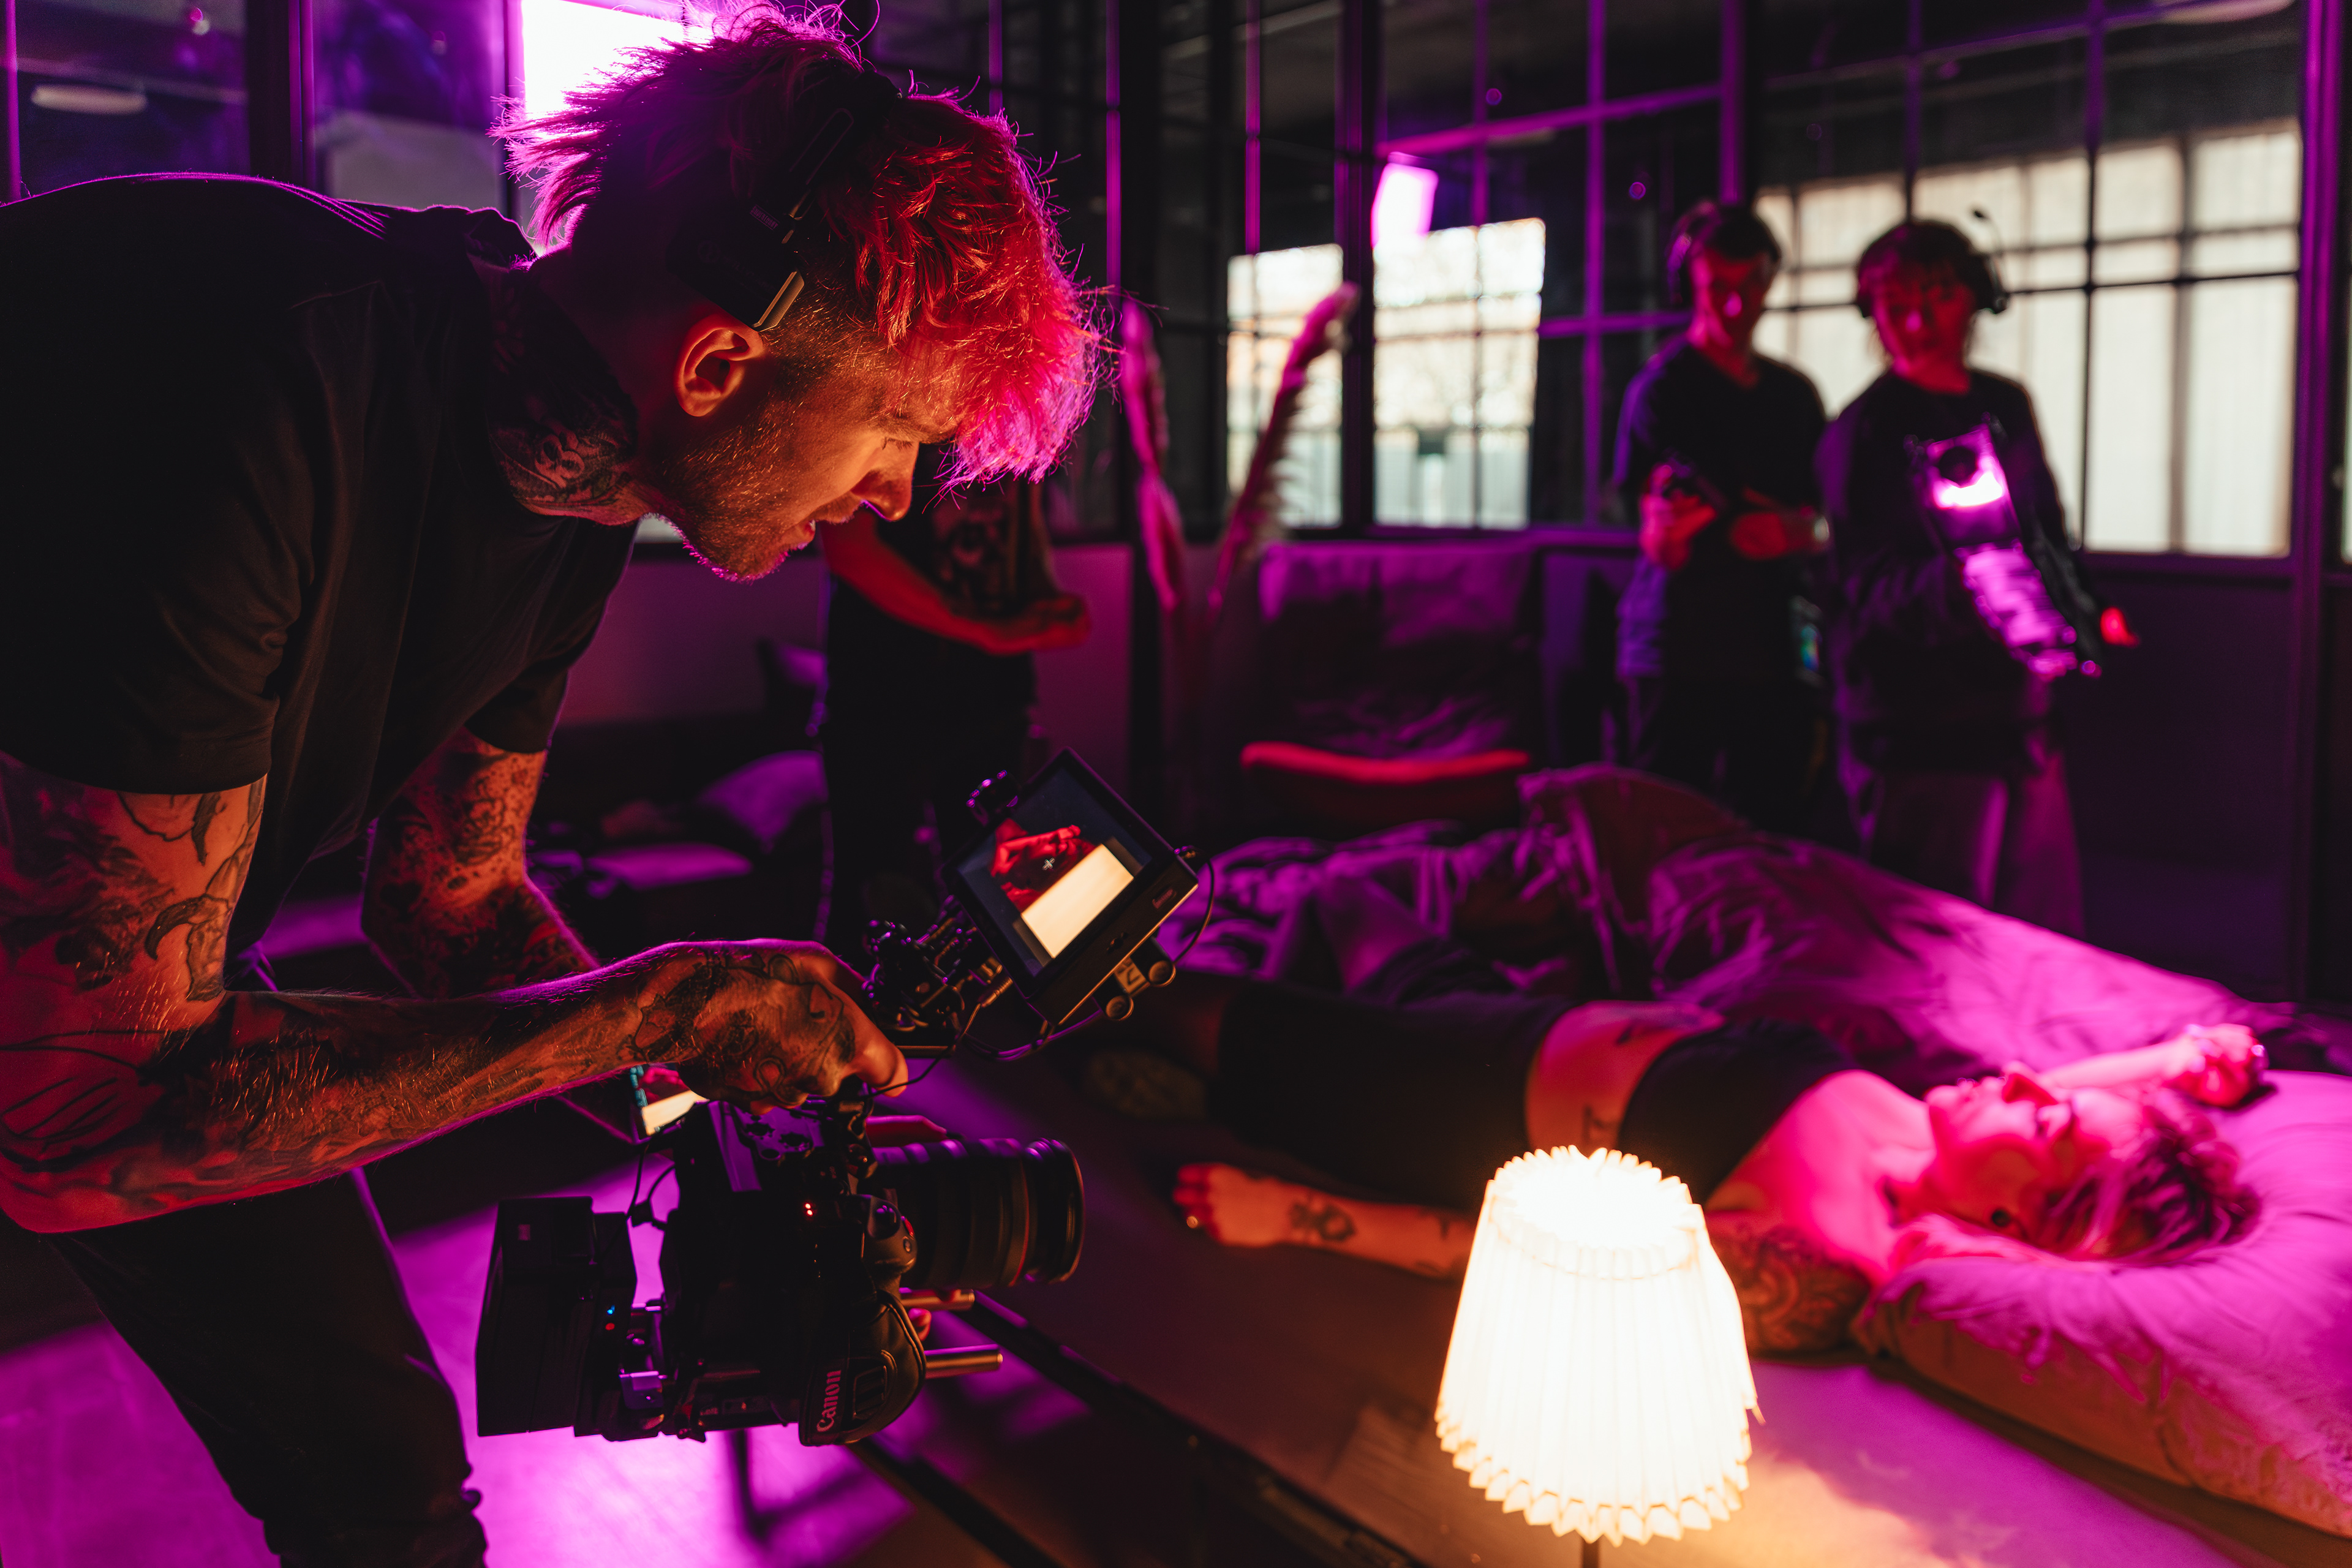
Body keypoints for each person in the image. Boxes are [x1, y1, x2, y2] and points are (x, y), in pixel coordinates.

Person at [0, 10, 1092, 1564]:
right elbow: (78, 1111)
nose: (896, 495)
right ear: (717, 362)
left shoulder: (577, 478)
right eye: (899, 434)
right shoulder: (256, 375)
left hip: (110, 1001)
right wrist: (653, 1007)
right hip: (81, 1032)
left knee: (376, 1460)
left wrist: (718, 1101)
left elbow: (447, 903)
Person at [1105, 877, 2260, 1354]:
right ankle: (1240, 1077)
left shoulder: (1827, 1253)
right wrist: (2174, 1061)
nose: (2027, 1083)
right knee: (1337, 902)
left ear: (2018, 1223)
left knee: (1141, 991)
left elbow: (1546, 1259)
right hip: (1505, 1015)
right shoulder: (1934, 1132)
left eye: (2050, 1125)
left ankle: (1242, 1078)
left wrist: (1297, 1215)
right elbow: (2057, 1101)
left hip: (1435, 1099)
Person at [1819, 221, 2124, 934]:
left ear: (1975, 297)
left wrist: (2081, 610)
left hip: (2018, 718)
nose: (1917, 323)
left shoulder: (2005, 405)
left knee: (2036, 926)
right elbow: (1862, 586)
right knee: (1938, 936)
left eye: (1939, 296)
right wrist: (1972, 585)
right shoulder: (1863, 431)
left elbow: (2046, 531)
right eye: (1896, 305)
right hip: (1917, 730)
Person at [1611, 201, 1830, 833]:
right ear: (1690, 287)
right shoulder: (1663, 389)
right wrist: (1664, 534)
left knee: (1770, 829)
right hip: (1679, 648)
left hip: (1773, 645)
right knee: (1665, 829)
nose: (1736, 305)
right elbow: (1646, 516)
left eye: (1751, 285)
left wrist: (1801, 531)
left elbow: (1828, 513)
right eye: (1718, 289)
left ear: (1770, 281)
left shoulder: (1795, 396)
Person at [818, 470, 1089, 962]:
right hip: (882, 694)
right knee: (870, 904)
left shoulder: (1017, 429)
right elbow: (847, 548)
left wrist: (1045, 602)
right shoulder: (892, 422)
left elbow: (1019, 531)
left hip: (993, 696)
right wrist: (988, 630)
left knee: (998, 901)